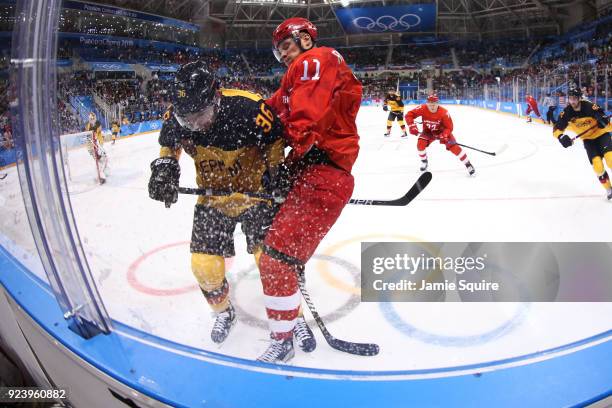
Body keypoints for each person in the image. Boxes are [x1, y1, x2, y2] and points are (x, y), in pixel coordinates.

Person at [147, 60, 316, 348]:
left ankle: (292, 314)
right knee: (204, 267)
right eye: (187, 119)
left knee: (273, 263)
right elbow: (169, 144)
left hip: (256, 195)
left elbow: (274, 140)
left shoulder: (249, 108)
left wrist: (277, 174)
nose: (194, 125)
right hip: (213, 198)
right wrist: (164, 168)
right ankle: (223, 311)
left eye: (200, 115)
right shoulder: (178, 115)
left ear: (216, 96)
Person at [257, 17, 362, 363]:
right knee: (279, 257)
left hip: (323, 176)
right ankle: (290, 318)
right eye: (279, 52)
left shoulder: (315, 59)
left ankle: (283, 339)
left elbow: (304, 120)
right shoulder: (294, 77)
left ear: (303, 39)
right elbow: (266, 111)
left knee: (274, 262)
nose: (284, 55)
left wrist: (284, 147)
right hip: (311, 173)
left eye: (285, 46)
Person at [554, 88, 612, 200]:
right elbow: (556, 129)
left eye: (574, 98)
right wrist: (561, 137)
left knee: (610, 160)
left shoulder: (589, 106)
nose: (572, 101)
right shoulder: (566, 113)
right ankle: (609, 189)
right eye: (570, 98)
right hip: (588, 140)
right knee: (598, 167)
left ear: (580, 98)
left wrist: (603, 122)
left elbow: (604, 120)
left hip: (602, 135)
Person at [405, 94, 475, 175]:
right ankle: (424, 161)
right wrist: (411, 126)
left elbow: (449, 127)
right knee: (420, 144)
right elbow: (409, 115)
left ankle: (468, 164)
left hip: (442, 132)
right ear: (427, 103)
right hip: (428, 132)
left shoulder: (444, 112)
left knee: (454, 147)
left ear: (438, 103)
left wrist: (444, 135)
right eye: (430, 103)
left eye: (434, 103)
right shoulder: (422, 108)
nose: (432, 106)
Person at [84, 112, 108, 184]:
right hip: (91, 146)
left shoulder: (98, 124)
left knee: (103, 158)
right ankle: (100, 176)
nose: (92, 120)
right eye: (91, 118)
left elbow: (99, 133)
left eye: (93, 118)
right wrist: (91, 148)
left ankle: (101, 174)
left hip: (97, 144)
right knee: (98, 160)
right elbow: (88, 137)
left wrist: (100, 142)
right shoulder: (88, 125)